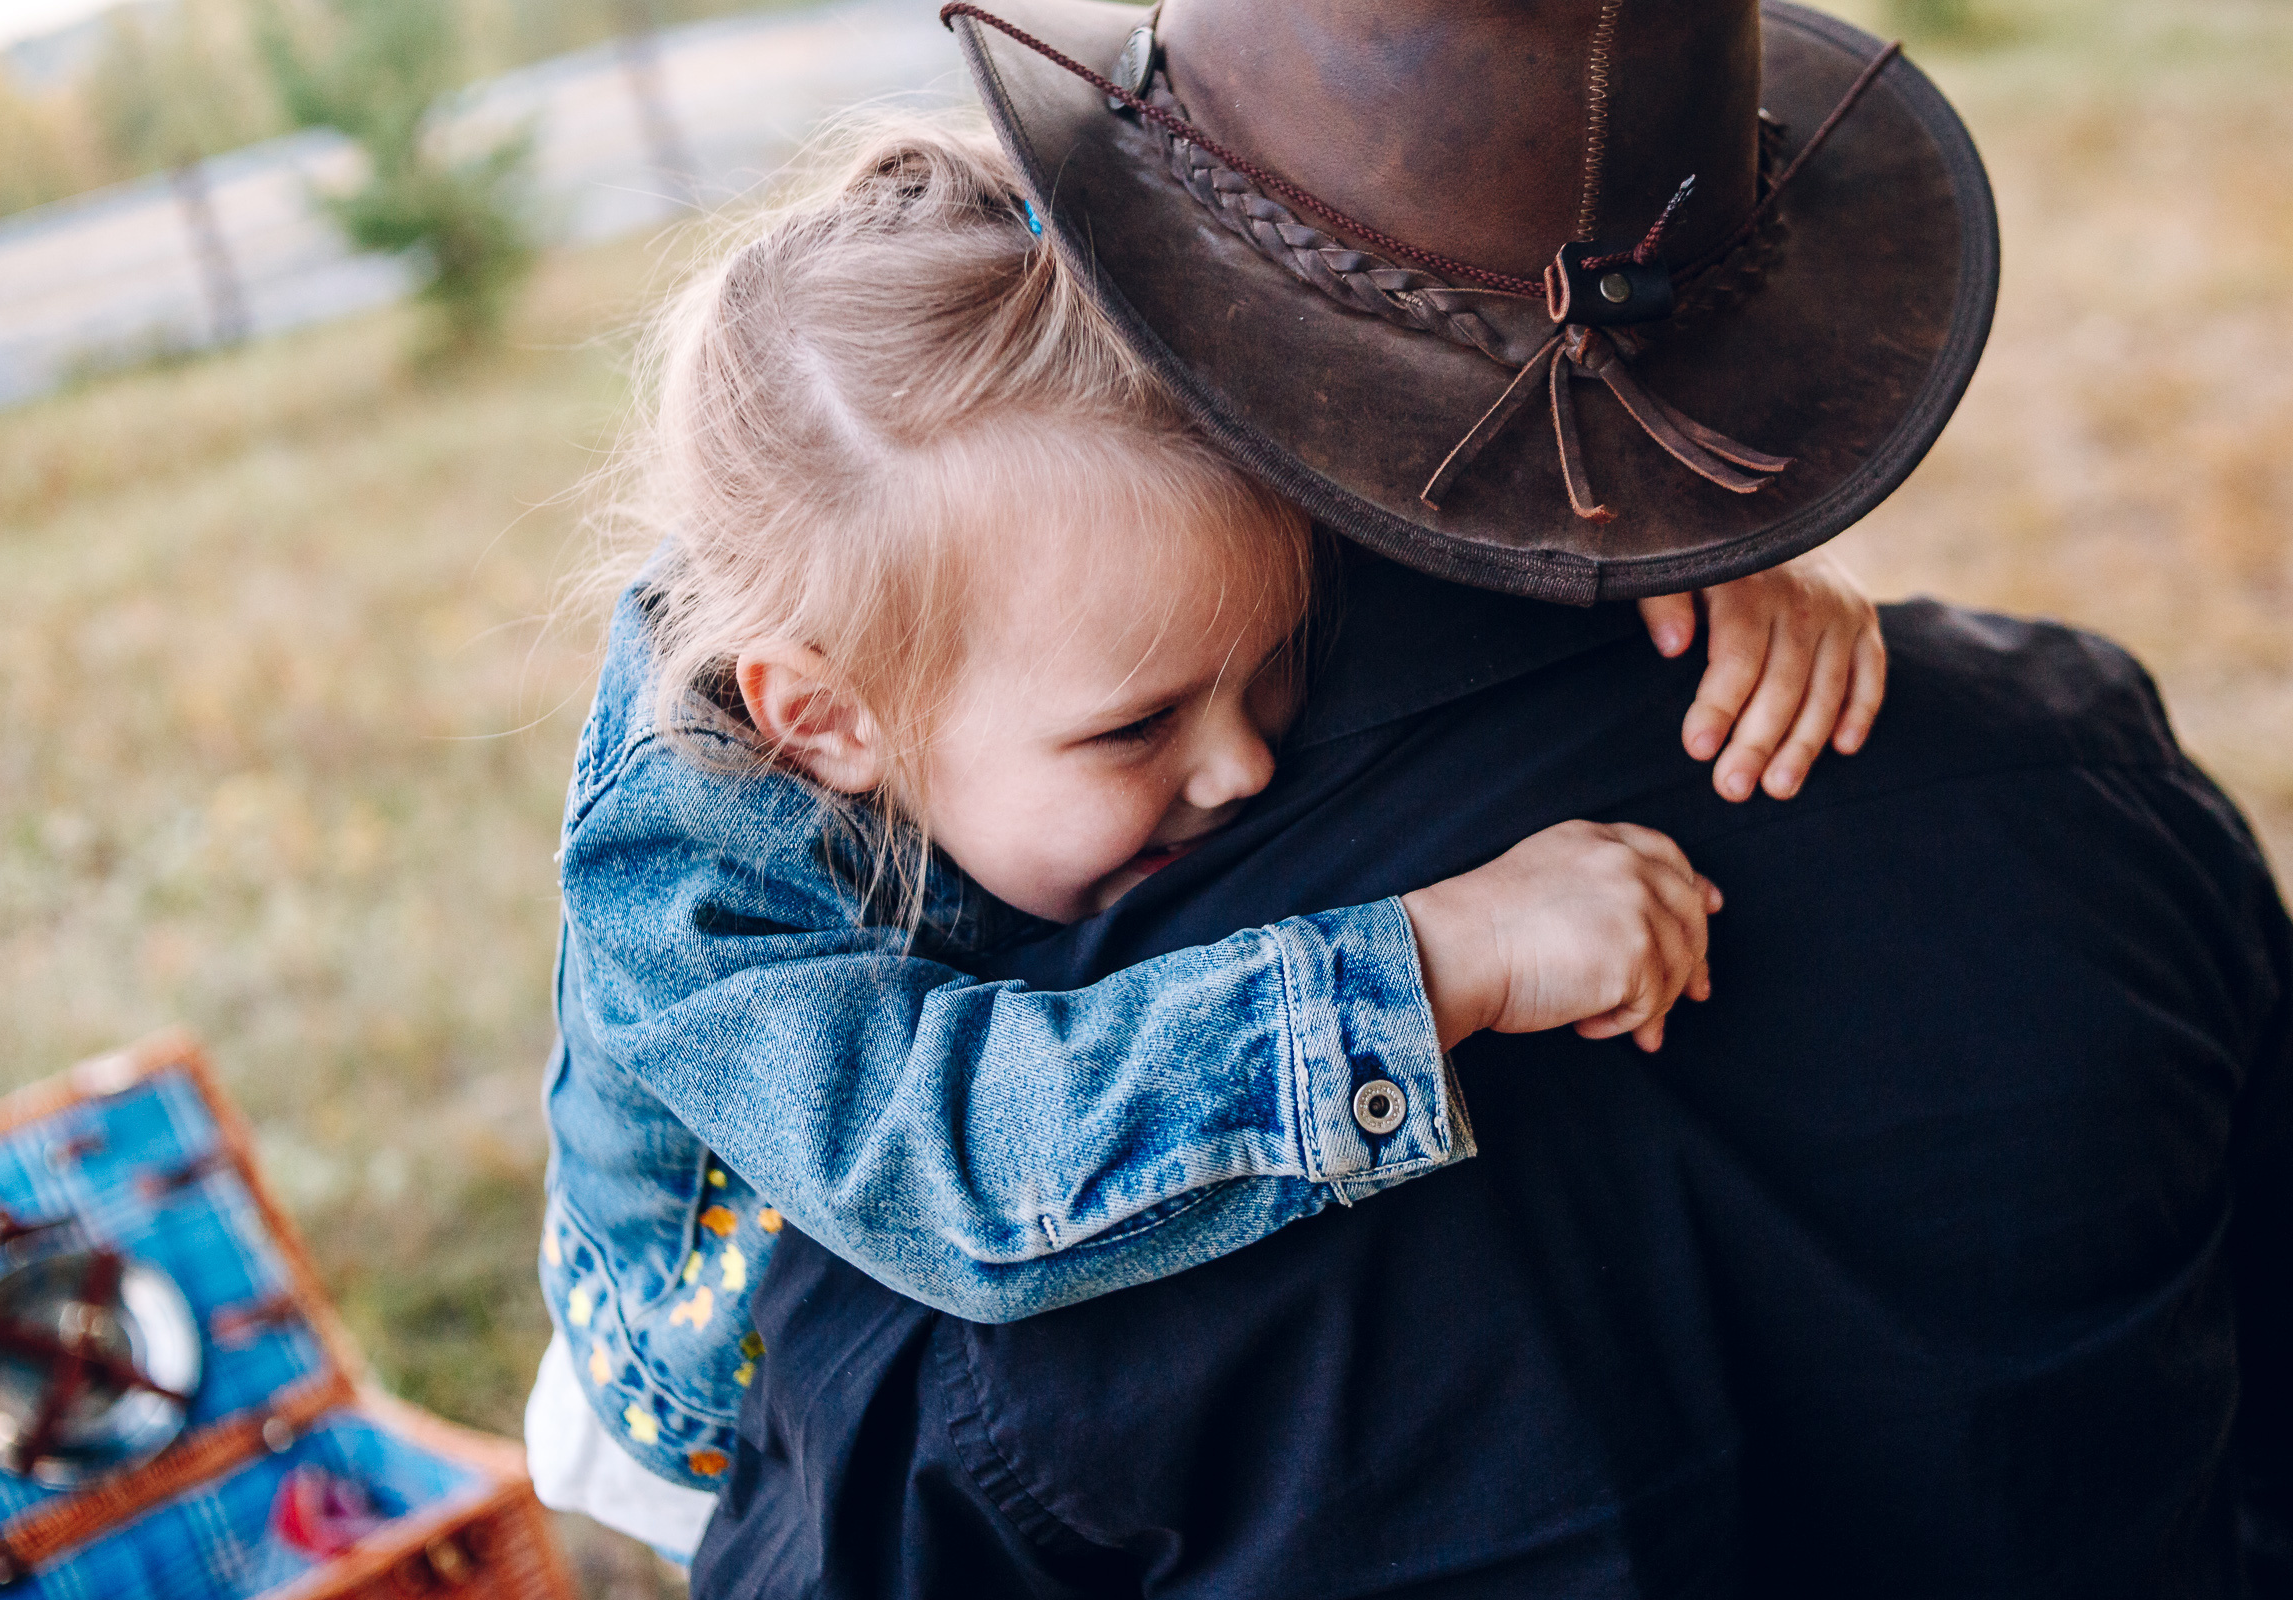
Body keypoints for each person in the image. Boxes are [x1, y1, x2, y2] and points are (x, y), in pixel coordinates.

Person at [683, 0, 2293, 1594]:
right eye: (1136, 724)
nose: (1228, 766)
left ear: (1161, 289)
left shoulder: (1002, 1211)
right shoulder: (2092, 775)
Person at [526, 122, 1890, 1563]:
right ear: (826, 723)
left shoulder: (1064, 573)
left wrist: (1713, 564)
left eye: (1275, 657)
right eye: (1139, 727)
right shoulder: (684, 892)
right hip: (742, 1368)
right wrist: (1440, 961)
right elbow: (962, 1166)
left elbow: (1437, 469)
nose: (1240, 765)